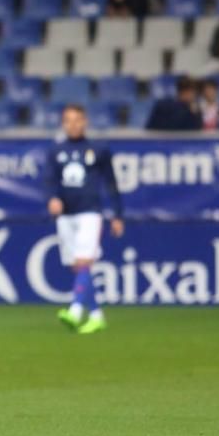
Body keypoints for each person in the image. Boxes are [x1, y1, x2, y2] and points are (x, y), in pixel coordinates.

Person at [45, 104, 124, 335]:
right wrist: (52, 198)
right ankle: (97, 316)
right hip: (65, 214)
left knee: (83, 261)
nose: (73, 124)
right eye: (68, 120)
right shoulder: (55, 151)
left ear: (85, 121)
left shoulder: (98, 149)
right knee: (76, 266)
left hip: (90, 212)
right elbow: (49, 181)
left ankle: (76, 311)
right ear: (63, 123)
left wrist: (118, 214)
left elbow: (111, 183)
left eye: (77, 119)